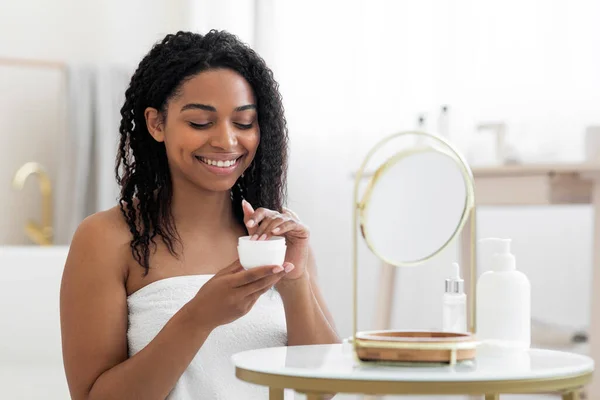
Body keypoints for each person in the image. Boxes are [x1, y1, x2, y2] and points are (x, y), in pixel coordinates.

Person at [59, 30, 339, 400]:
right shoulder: (107, 238)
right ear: (157, 124)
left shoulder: (278, 237)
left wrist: (294, 282)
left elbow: (323, 386)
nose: (226, 141)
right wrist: (199, 317)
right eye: (200, 123)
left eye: (243, 123)